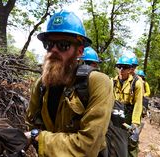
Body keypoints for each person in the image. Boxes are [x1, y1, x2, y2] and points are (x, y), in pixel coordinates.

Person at [25, 10, 114, 157]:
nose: (53, 50)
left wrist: (38, 138)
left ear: (79, 51)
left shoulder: (98, 83)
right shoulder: (41, 85)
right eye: (49, 44)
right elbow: (31, 124)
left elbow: (88, 146)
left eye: (63, 45)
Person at [113, 55, 143, 157]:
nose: (121, 70)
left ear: (130, 69)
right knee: (114, 138)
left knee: (131, 142)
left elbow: (138, 104)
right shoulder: (114, 81)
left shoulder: (137, 83)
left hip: (129, 114)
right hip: (116, 112)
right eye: (120, 67)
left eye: (124, 67)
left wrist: (135, 123)